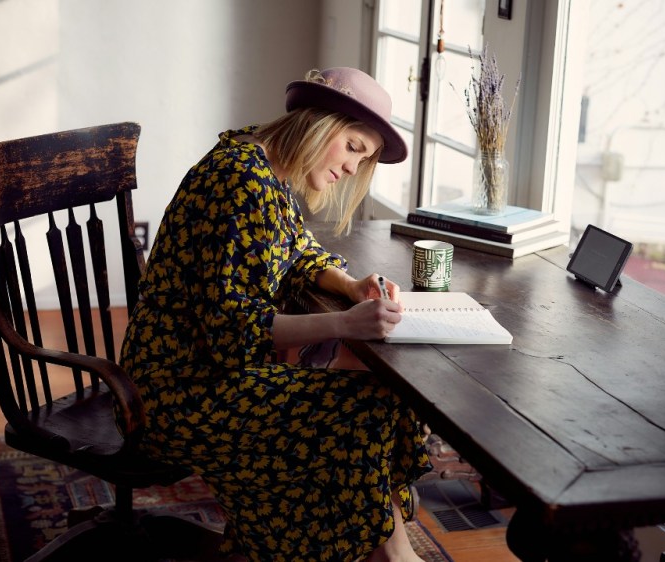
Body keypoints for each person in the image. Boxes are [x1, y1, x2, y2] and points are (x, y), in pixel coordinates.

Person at [119, 67, 433, 562]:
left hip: (208, 375)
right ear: (319, 123)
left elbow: (296, 248)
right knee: (363, 408)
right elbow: (234, 332)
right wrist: (344, 323)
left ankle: (371, 550)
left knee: (370, 401)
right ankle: (387, 554)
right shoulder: (241, 181)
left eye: (364, 158)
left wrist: (351, 285)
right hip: (175, 391)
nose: (354, 169)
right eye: (353, 146)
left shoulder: (263, 162)